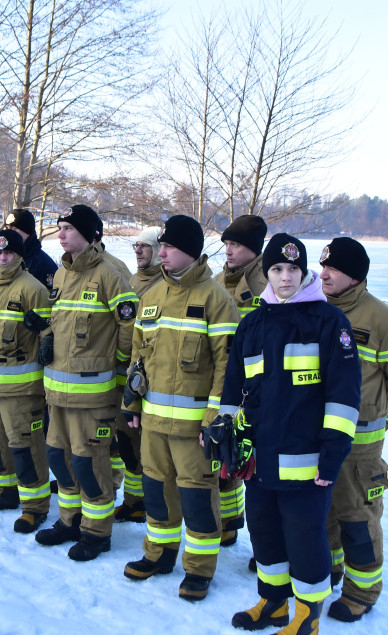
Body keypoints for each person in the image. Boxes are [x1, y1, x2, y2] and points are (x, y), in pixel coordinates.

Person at [223, 233, 361, 633]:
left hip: (307, 462)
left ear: (305, 273)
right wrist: (226, 434)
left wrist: (332, 454)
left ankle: (308, 614)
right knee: (264, 532)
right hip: (259, 459)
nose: (286, 278)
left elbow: (344, 397)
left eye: (294, 269)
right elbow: (234, 389)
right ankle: (273, 602)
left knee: (305, 538)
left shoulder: (329, 322)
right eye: (278, 269)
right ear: (267, 274)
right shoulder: (251, 325)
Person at [121, 216, 239, 601]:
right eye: (162, 247)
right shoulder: (152, 296)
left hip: (194, 429)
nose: (162, 253)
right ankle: (158, 555)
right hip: (154, 422)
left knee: (197, 498)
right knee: (156, 490)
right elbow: (139, 355)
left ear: (190, 250)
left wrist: (217, 419)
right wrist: (132, 401)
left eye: (169, 247)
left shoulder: (216, 300)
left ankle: (199, 569)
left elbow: (228, 367)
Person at [319, 237, 388, 623]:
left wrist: (381, 417)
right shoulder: (316, 308)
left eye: (334, 269)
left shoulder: (381, 319)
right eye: (324, 266)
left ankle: (361, 593)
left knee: (357, 517)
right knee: (323, 513)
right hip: (321, 439)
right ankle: (329, 570)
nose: (324, 273)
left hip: (360, 446)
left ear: (355, 276)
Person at [35, 204, 138, 561]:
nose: (60, 234)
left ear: (90, 234)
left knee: (89, 465)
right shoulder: (62, 274)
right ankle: (70, 520)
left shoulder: (111, 274)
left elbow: (129, 329)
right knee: (59, 458)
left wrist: (120, 373)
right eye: (59, 227)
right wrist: (47, 336)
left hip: (94, 396)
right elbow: (56, 319)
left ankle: (96, 532)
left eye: (68, 228)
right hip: (58, 393)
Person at [0, 229, 52, 533]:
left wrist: (43, 333)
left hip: (22, 389)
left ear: (19, 256)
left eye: (8, 253)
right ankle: (4, 493)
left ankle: (34, 506)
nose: (2, 258)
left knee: (25, 447)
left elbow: (49, 336)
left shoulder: (32, 288)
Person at [213, 214, 268, 545]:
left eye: (235, 245)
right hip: (228, 384)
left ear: (253, 248)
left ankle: (268, 544)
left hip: (260, 390)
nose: (228, 251)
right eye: (227, 245)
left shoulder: (269, 283)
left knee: (259, 469)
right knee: (228, 456)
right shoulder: (219, 280)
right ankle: (230, 522)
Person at [114, 225, 164, 524]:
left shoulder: (162, 284)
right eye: (135, 246)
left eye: (144, 246)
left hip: (150, 382)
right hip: (125, 377)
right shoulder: (133, 280)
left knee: (147, 448)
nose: (138, 251)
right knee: (128, 444)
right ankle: (134, 501)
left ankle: (148, 504)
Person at [4, 207, 58, 292]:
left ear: (27, 232)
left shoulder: (43, 264)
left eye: (14, 229)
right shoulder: (3, 257)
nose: (8, 232)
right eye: (7, 228)